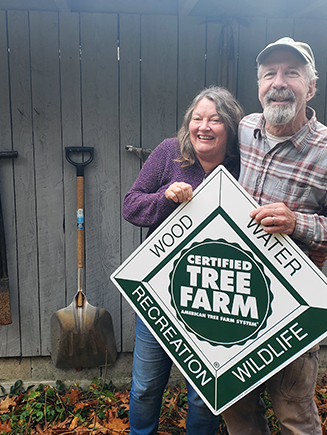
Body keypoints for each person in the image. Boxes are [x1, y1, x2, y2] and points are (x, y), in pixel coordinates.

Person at [221, 37, 327, 435]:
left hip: (291, 307)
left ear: (311, 87)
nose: (279, 82)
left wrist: (301, 224)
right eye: (269, 74)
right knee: (237, 405)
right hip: (236, 293)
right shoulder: (244, 129)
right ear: (258, 85)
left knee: (293, 410)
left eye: (292, 73)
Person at [123, 86, 244, 435]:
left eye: (215, 120)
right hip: (160, 295)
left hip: (217, 298)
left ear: (230, 128)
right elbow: (131, 206)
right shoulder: (169, 154)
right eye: (197, 118)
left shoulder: (242, 166)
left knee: (204, 396)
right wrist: (165, 196)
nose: (203, 127)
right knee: (145, 388)